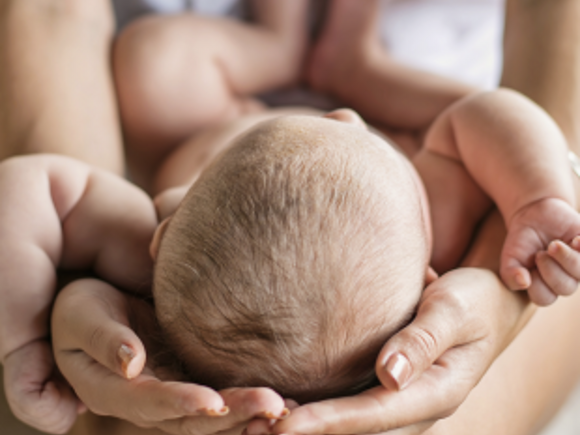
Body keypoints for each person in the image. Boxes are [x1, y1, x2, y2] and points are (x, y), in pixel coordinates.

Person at [2, 1, 580, 435]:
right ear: (429, 278)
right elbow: (485, 114)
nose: (343, 116)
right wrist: (540, 203)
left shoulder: (144, 256)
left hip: (223, 110)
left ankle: (279, 41)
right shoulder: (434, 222)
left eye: (331, 118)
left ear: (167, 230)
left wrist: (30, 333)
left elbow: (28, 190)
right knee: (459, 133)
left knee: (153, 67)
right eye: (349, 127)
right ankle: (356, 66)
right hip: (410, 123)